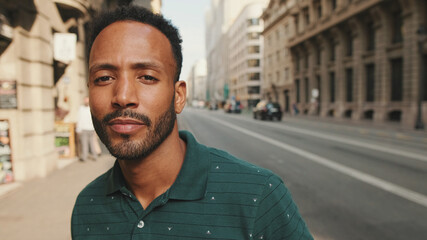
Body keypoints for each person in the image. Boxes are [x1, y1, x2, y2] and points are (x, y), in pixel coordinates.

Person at [71, 6, 313, 240]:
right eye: (103, 78)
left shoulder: (258, 196)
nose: (123, 96)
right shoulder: (87, 206)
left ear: (178, 97)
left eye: (146, 77)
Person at [76, 96, 100, 161]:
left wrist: (78, 129)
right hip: (85, 129)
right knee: (87, 144)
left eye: (87, 100)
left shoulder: (86, 109)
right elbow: (79, 119)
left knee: (89, 144)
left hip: (89, 129)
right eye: (85, 100)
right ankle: (89, 156)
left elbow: (80, 119)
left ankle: (86, 157)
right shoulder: (83, 109)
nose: (86, 102)